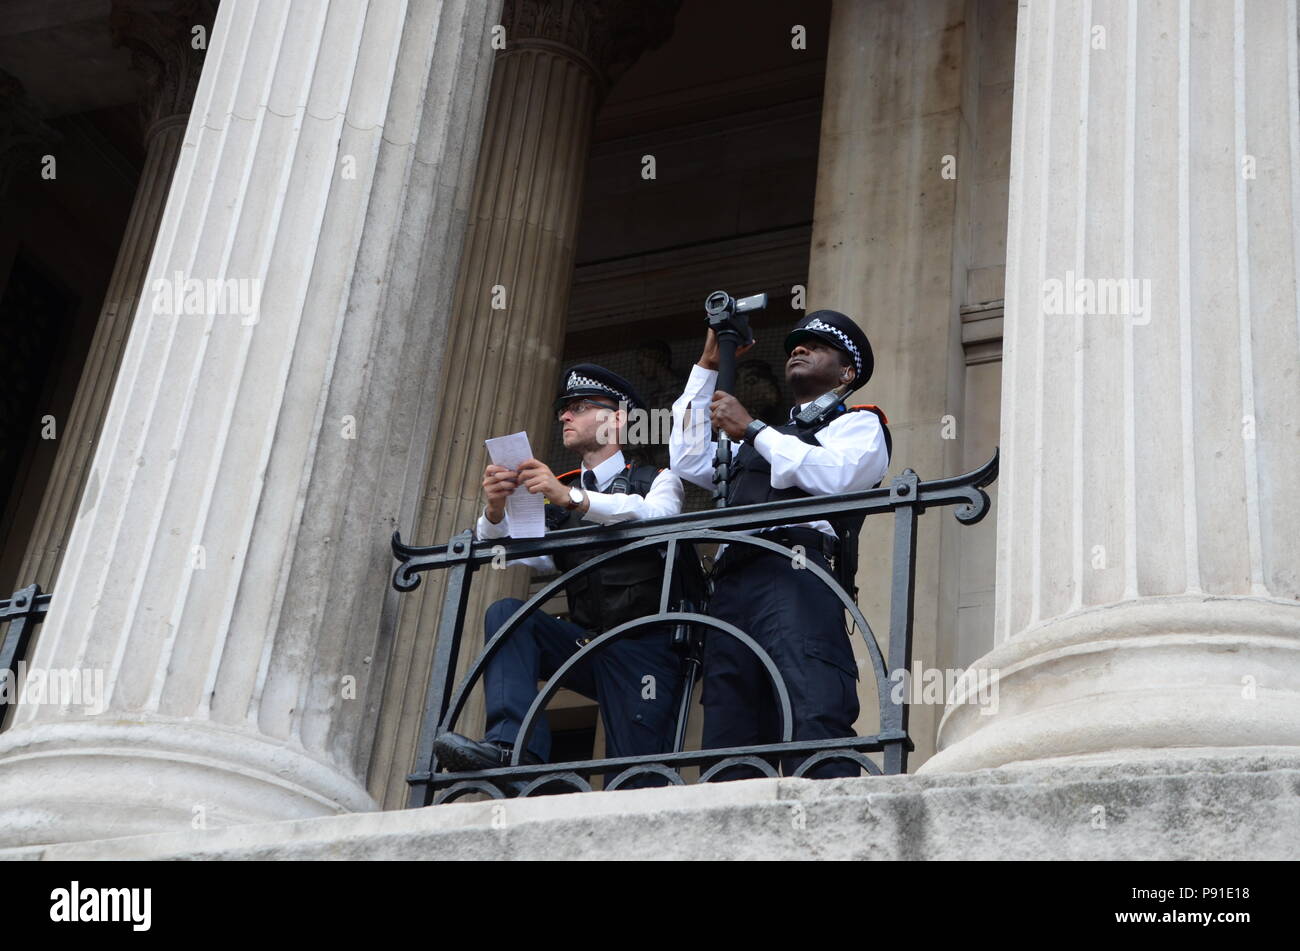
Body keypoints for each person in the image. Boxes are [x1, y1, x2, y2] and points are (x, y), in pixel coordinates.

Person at [434, 364, 687, 786]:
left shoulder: (658, 479)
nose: (564, 417)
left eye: (579, 407)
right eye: (563, 410)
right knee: (507, 615)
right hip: (587, 643)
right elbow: (516, 555)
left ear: (618, 419)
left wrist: (570, 497)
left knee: (637, 780)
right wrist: (495, 512)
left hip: (646, 649)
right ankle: (512, 750)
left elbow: (656, 518)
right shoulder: (561, 488)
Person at [669, 310, 891, 778]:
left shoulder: (858, 424)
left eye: (816, 346)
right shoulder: (761, 438)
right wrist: (707, 366)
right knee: (729, 731)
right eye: (795, 345)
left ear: (847, 373)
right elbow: (688, 458)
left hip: (795, 572)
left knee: (812, 710)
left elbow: (839, 476)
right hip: (731, 583)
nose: (799, 349)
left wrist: (752, 429)